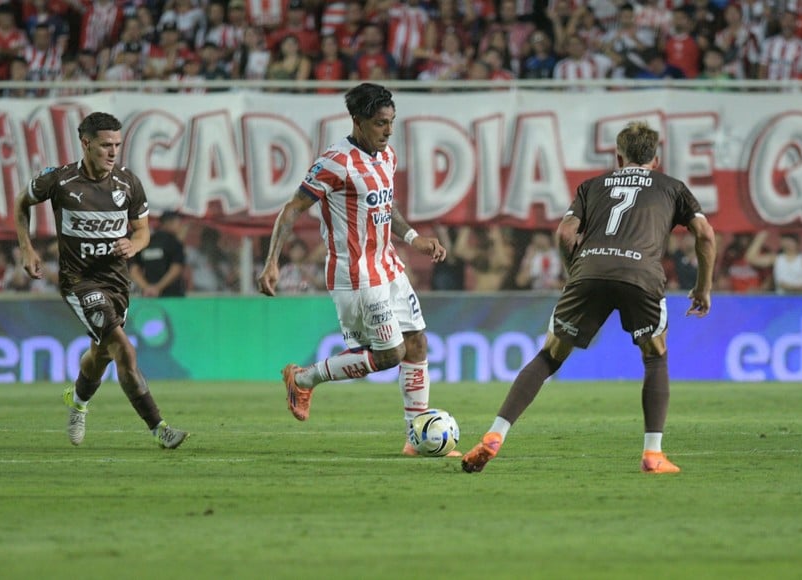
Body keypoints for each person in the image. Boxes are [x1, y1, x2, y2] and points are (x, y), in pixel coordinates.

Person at [461, 121, 716, 475]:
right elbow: (704, 233)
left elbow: (565, 233)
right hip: (641, 274)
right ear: (655, 160)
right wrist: (703, 287)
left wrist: (573, 274)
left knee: (549, 356)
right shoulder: (672, 187)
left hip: (589, 271)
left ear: (618, 156)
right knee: (655, 356)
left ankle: (494, 434)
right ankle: (653, 454)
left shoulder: (592, 185)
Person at [257, 83, 457, 457]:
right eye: (381, 123)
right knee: (389, 355)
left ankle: (416, 440)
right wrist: (272, 261)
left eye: (392, 122)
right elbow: (292, 209)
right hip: (356, 274)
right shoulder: (336, 162)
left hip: (389, 266)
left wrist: (414, 238)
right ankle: (303, 378)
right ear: (358, 121)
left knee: (417, 344)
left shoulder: (386, 157)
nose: (388, 130)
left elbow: (385, 206)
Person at [13, 112, 188, 449]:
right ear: (86, 143)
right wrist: (27, 249)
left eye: (117, 145)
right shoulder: (60, 180)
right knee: (123, 349)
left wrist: (133, 245)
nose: (113, 152)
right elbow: (22, 201)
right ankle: (160, 428)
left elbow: (142, 232)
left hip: (117, 283)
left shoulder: (128, 183)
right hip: (79, 282)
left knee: (100, 355)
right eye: (106, 145)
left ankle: (77, 402)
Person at [130, 210, 187, 297]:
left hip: (148, 295)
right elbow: (176, 269)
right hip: (172, 295)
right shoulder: (174, 243)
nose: (180, 226)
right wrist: (158, 288)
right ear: (169, 223)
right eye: (178, 223)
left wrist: (147, 288)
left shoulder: (146, 241)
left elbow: (134, 269)